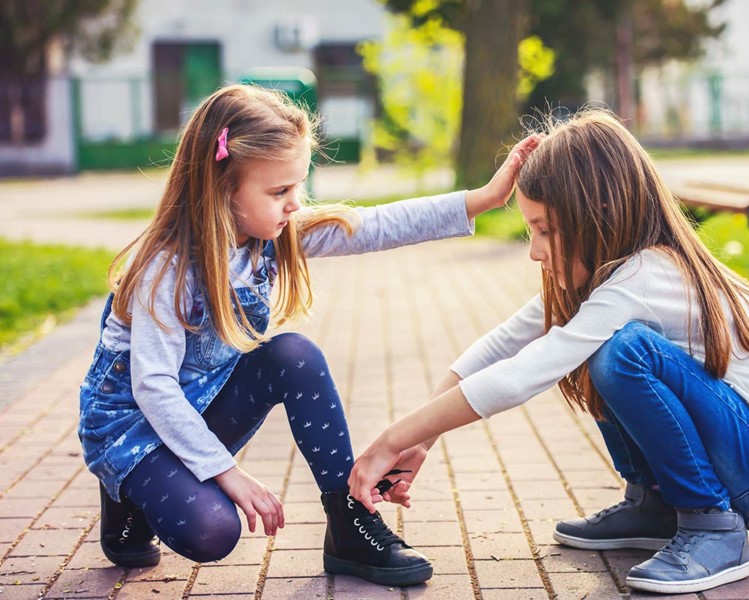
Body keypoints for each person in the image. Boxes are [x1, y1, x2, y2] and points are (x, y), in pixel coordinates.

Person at [349, 109, 749, 594]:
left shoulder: (643, 277)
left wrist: (390, 440)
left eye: (545, 230)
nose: (534, 251)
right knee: (607, 349)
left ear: (597, 217)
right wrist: (421, 440)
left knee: (622, 355)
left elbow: (520, 376)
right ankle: (656, 505)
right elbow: (502, 346)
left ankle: (712, 528)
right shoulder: (613, 277)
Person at [78, 83, 537, 587]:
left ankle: (349, 524)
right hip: (134, 424)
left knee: (292, 354)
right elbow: (154, 388)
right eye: (279, 192)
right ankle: (125, 489)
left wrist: (485, 199)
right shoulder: (167, 269)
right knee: (212, 532)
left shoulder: (268, 232)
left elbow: (378, 224)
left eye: (298, 187)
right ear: (222, 187)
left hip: (196, 406)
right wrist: (225, 473)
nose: (295, 204)